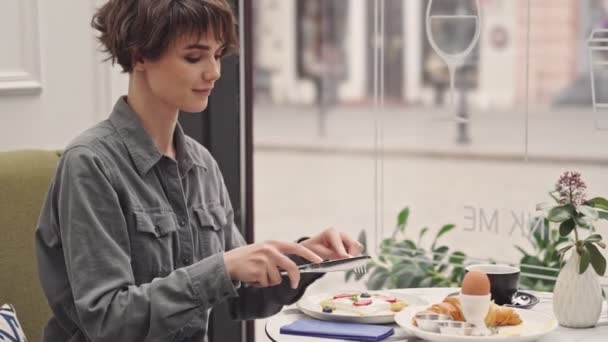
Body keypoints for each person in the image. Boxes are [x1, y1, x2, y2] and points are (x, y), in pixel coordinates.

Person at [34, 1, 363, 341]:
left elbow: (244, 296)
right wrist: (221, 268)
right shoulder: (90, 165)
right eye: (194, 57)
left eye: (218, 55)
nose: (214, 72)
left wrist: (305, 259)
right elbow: (107, 321)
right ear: (139, 56)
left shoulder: (201, 164)